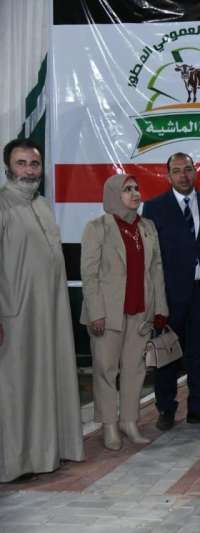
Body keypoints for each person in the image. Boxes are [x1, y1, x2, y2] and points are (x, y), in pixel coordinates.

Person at [0, 138, 84, 482]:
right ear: (8, 167)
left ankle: (46, 453)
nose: (29, 170)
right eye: (21, 163)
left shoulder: (43, 205)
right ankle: (15, 462)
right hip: (15, 317)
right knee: (16, 387)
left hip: (50, 315)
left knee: (47, 382)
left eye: (34, 164)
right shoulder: (3, 205)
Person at [81, 174, 169, 450]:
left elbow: (156, 269)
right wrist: (96, 312)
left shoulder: (147, 227)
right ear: (112, 194)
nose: (135, 193)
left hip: (141, 311)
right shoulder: (97, 228)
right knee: (106, 370)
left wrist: (160, 307)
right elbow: (89, 274)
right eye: (127, 189)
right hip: (107, 314)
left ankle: (129, 422)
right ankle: (109, 425)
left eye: (136, 188)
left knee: (135, 369)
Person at [143, 153, 200, 430]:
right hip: (170, 295)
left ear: (195, 172)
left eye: (188, 169)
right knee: (167, 353)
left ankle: (198, 408)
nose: (183, 175)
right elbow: (152, 256)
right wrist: (156, 297)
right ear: (168, 176)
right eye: (177, 171)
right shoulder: (155, 208)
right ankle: (166, 408)